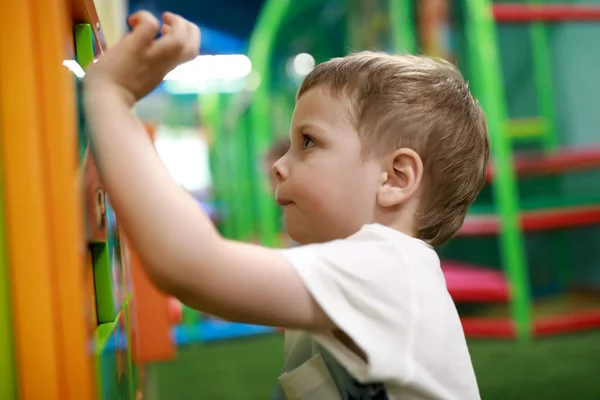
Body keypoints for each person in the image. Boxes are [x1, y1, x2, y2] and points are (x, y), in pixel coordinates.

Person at [83, 11, 488, 400]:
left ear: (395, 178)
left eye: (309, 142)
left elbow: (195, 266)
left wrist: (110, 97)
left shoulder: (389, 266)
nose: (278, 165)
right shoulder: (371, 270)